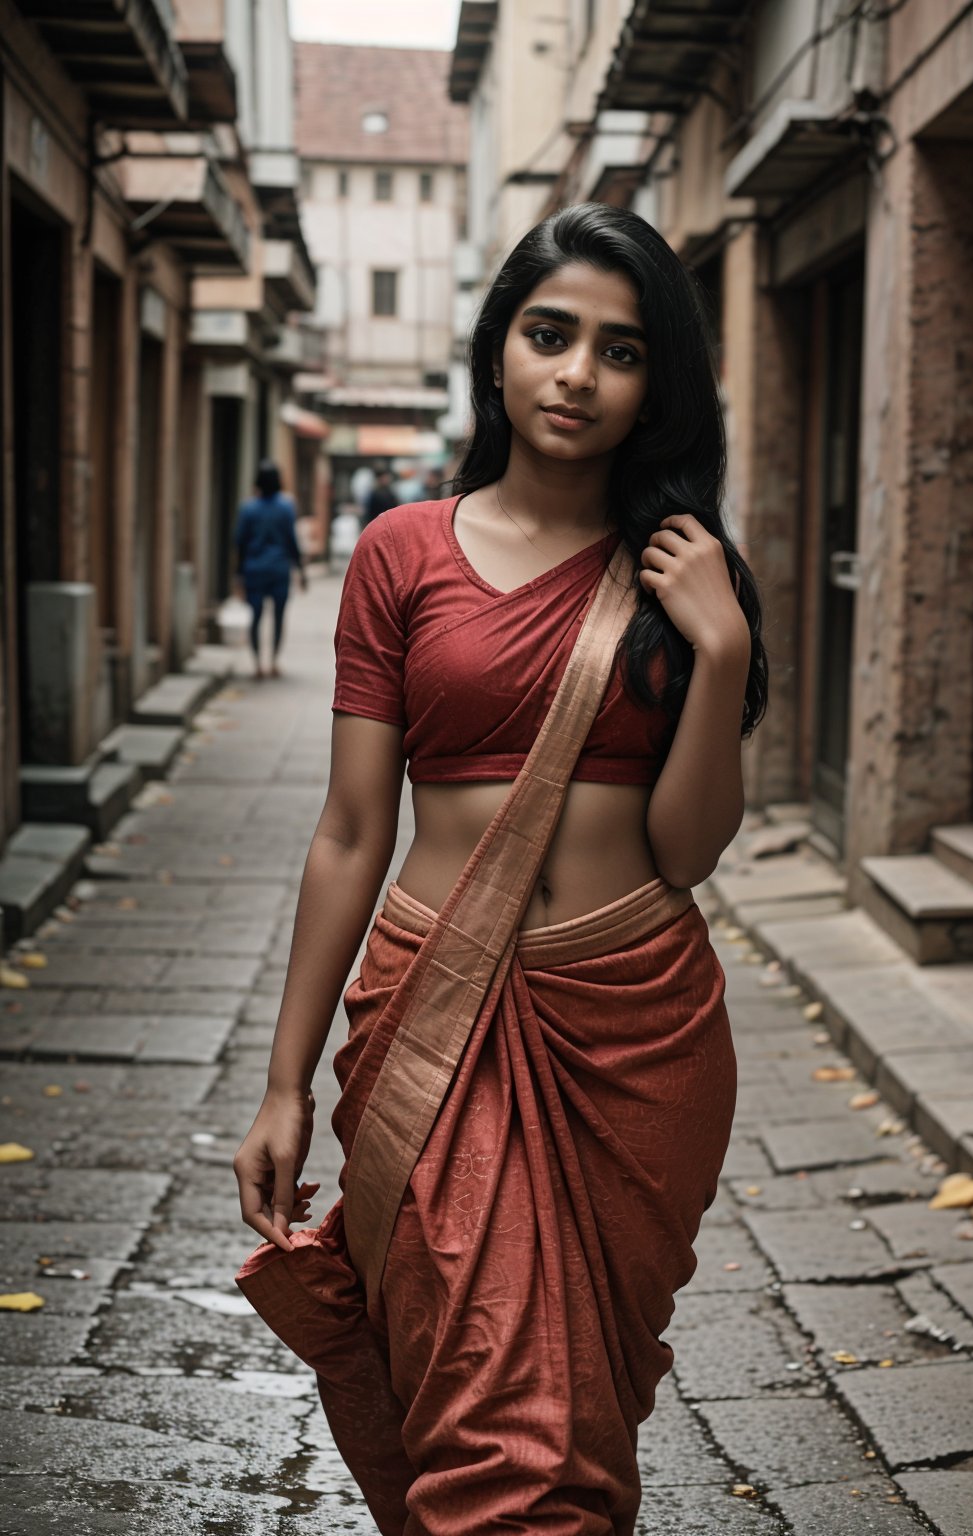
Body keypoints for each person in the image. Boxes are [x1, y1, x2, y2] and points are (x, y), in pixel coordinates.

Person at [233, 202, 767, 1534]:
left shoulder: (684, 573)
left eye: (622, 350)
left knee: (578, 1405)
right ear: (498, 354)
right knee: (496, 1423)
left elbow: (689, 850)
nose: (579, 373)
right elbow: (354, 831)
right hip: (433, 1012)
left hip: (633, 1025)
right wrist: (284, 1082)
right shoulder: (401, 552)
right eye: (550, 335)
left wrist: (723, 652)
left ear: (659, 388)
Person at [234, 460, 307, 678]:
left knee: (255, 617)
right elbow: (291, 541)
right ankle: (274, 661)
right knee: (278, 616)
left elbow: (239, 542)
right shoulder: (286, 506)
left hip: (254, 570)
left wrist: (238, 574)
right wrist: (301, 570)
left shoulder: (248, 508)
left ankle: (257, 664)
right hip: (279, 569)